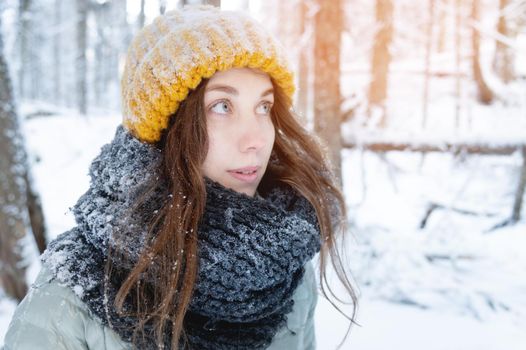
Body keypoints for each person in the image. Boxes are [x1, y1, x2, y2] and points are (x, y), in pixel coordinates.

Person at [4, 5, 357, 350]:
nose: (257, 140)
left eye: (263, 107)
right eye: (222, 106)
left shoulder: (285, 265)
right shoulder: (73, 293)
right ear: (166, 128)